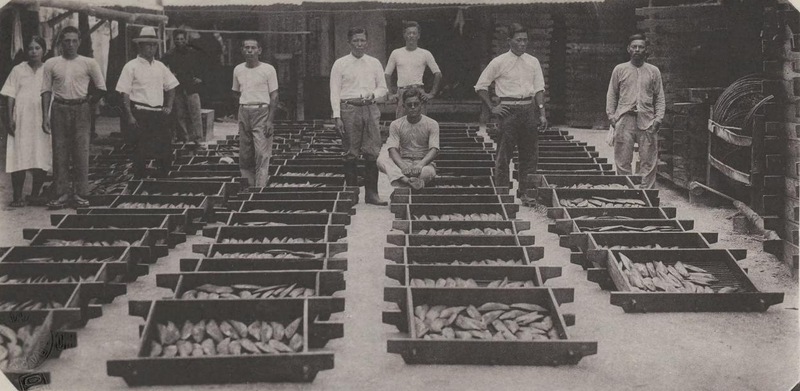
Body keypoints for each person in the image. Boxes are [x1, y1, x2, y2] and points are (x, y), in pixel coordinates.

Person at [474, 23, 547, 201]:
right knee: (504, 155)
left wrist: (542, 113)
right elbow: (480, 86)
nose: (523, 44)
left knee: (530, 154)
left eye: (525, 40)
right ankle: (502, 192)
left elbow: (539, 89)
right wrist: (493, 108)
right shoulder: (499, 62)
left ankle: (526, 193)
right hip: (508, 112)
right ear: (509, 41)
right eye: (519, 40)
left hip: (529, 110)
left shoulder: (533, 61)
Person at [42, 25, 106, 209]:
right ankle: (61, 194)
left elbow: (101, 87)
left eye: (74, 41)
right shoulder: (51, 63)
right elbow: (46, 90)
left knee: (81, 152)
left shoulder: (89, 63)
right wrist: (44, 116)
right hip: (59, 108)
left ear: (79, 42)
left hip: (81, 109)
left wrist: (89, 103)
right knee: (60, 152)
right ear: (60, 42)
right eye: (67, 41)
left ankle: (80, 194)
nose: (70, 44)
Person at [330, 27, 389, 205]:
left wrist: (374, 94)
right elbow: (334, 91)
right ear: (349, 42)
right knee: (351, 152)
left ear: (367, 42)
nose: (359, 44)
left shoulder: (374, 63)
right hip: (349, 109)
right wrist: (337, 116)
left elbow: (383, 88)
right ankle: (351, 194)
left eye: (362, 40)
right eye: (356, 40)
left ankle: (372, 194)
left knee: (372, 152)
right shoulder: (340, 64)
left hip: (370, 109)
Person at [115, 26, 179, 179]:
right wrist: (129, 116)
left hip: (158, 113)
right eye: (148, 44)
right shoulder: (131, 66)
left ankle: (161, 183)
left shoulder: (160, 66)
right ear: (140, 45)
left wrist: (168, 106)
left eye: (154, 45)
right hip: (140, 113)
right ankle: (140, 184)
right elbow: (124, 92)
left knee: (164, 152)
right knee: (140, 153)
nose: (152, 48)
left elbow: (172, 86)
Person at [606, 33, 665, 189]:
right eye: (634, 47)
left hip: (647, 120)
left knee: (649, 160)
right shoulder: (620, 69)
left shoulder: (654, 71)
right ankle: (627, 192)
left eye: (641, 47)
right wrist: (612, 116)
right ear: (628, 49)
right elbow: (612, 94)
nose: (637, 50)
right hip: (624, 119)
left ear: (646, 50)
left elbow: (659, 97)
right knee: (623, 159)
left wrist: (658, 119)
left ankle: (646, 193)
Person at [1, 37, 51, 207]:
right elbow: (10, 95)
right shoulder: (18, 70)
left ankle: (34, 194)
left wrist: (48, 118)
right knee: (18, 156)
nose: (34, 51)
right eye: (30, 48)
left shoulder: (48, 69)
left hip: (41, 118)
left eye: (37, 48)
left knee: (40, 154)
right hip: (21, 119)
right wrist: (9, 119)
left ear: (44, 50)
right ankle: (17, 197)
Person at [232, 37, 279, 188]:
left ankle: (260, 188)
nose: (250, 51)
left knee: (261, 152)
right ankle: (248, 186)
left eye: (253, 48)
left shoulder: (268, 69)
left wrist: (270, 120)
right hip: (244, 111)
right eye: (247, 48)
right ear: (242, 50)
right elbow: (235, 92)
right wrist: (241, 110)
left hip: (262, 112)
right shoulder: (238, 69)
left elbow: (274, 95)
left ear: (259, 50)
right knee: (245, 153)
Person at [377, 88, 439, 190]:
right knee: (381, 160)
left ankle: (402, 181)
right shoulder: (396, 124)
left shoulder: (432, 124)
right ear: (404, 106)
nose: (413, 107)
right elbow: (392, 149)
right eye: (409, 105)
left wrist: (420, 165)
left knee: (428, 172)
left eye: (416, 104)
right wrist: (403, 166)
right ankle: (408, 181)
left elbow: (434, 150)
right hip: (403, 163)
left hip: (423, 164)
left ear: (421, 105)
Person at [384, 21, 442, 118]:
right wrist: (390, 94)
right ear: (404, 35)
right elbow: (387, 74)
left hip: (418, 92)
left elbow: (438, 74)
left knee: (420, 124)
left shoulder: (425, 53)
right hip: (402, 92)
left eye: (414, 33)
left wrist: (432, 93)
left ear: (418, 36)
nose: (411, 35)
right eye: (408, 33)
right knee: (401, 124)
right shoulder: (396, 53)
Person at [164, 29, 204, 145]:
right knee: (180, 114)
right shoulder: (170, 54)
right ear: (174, 40)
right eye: (177, 39)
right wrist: (169, 75)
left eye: (182, 39)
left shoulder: (193, 53)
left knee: (195, 114)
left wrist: (200, 77)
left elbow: (205, 66)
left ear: (186, 39)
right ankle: (185, 138)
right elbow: (160, 66)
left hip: (192, 87)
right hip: (178, 88)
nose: (180, 41)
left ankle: (197, 139)